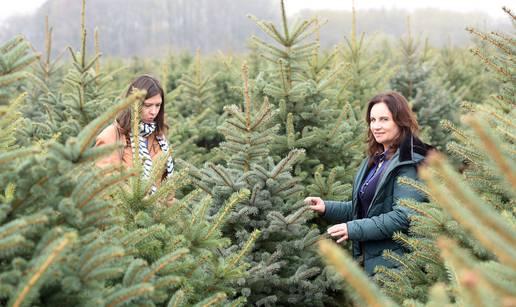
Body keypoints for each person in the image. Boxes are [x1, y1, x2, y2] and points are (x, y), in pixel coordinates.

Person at [305, 91, 433, 276]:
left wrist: (353, 229)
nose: (376, 126)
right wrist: (326, 207)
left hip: (398, 265)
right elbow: (368, 209)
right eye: (372, 120)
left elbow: (404, 216)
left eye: (384, 119)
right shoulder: (376, 160)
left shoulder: (410, 162)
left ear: (400, 121)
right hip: (374, 261)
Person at [95, 74, 173, 193]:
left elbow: (166, 187)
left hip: (157, 210)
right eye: (148, 105)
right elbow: (106, 186)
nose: (154, 112)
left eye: (158, 105)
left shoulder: (158, 137)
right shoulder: (111, 136)